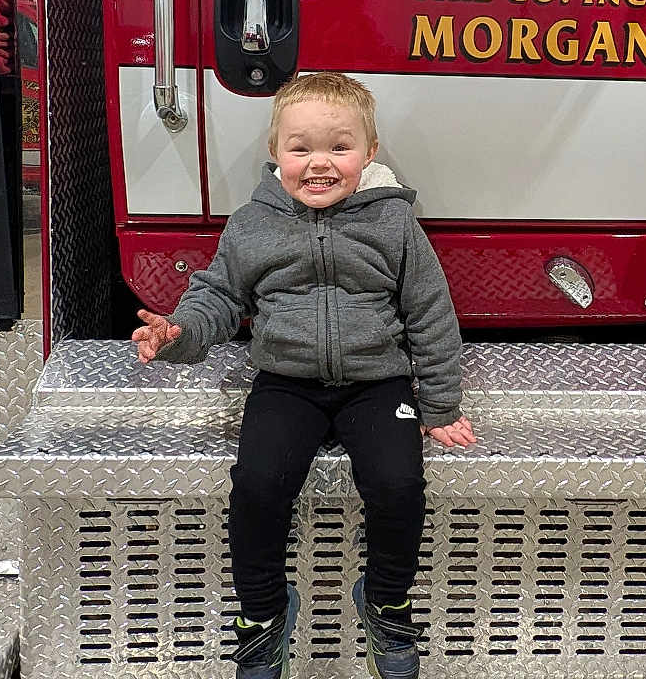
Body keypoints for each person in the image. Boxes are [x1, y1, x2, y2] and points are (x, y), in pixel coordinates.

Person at [132, 71, 477, 679]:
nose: (319, 163)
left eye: (339, 147)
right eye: (301, 148)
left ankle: (387, 603)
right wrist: (178, 334)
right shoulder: (252, 223)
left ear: (369, 154)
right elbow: (217, 296)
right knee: (259, 486)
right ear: (276, 154)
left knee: (398, 486)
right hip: (285, 384)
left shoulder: (394, 224)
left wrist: (441, 405)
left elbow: (430, 313)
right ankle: (263, 616)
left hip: (377, 386)